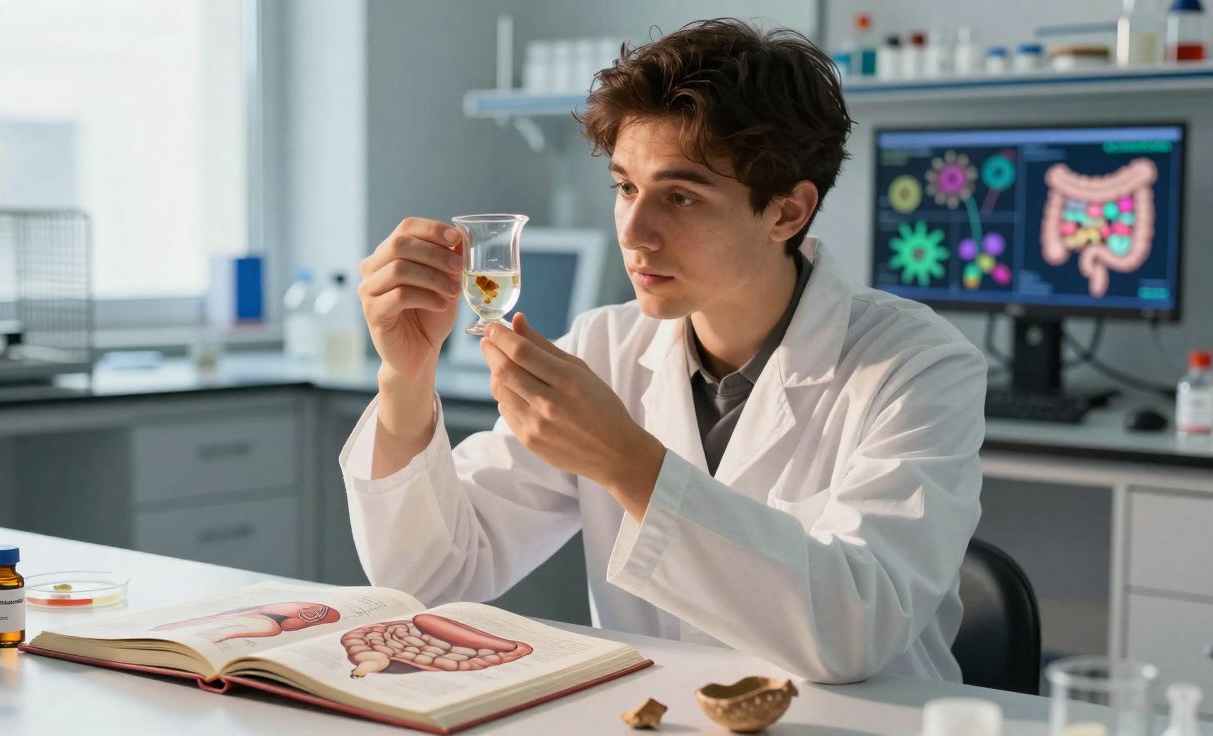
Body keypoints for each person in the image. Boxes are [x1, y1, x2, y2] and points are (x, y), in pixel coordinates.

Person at [340, 19, 987, 684]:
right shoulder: (605, 346)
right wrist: (406, 375)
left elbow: (857, 629)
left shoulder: (920, 367)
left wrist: (627, 462)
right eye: (625, 187)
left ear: (787, 213)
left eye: (679, 196)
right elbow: (432, 572)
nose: (635, 232)